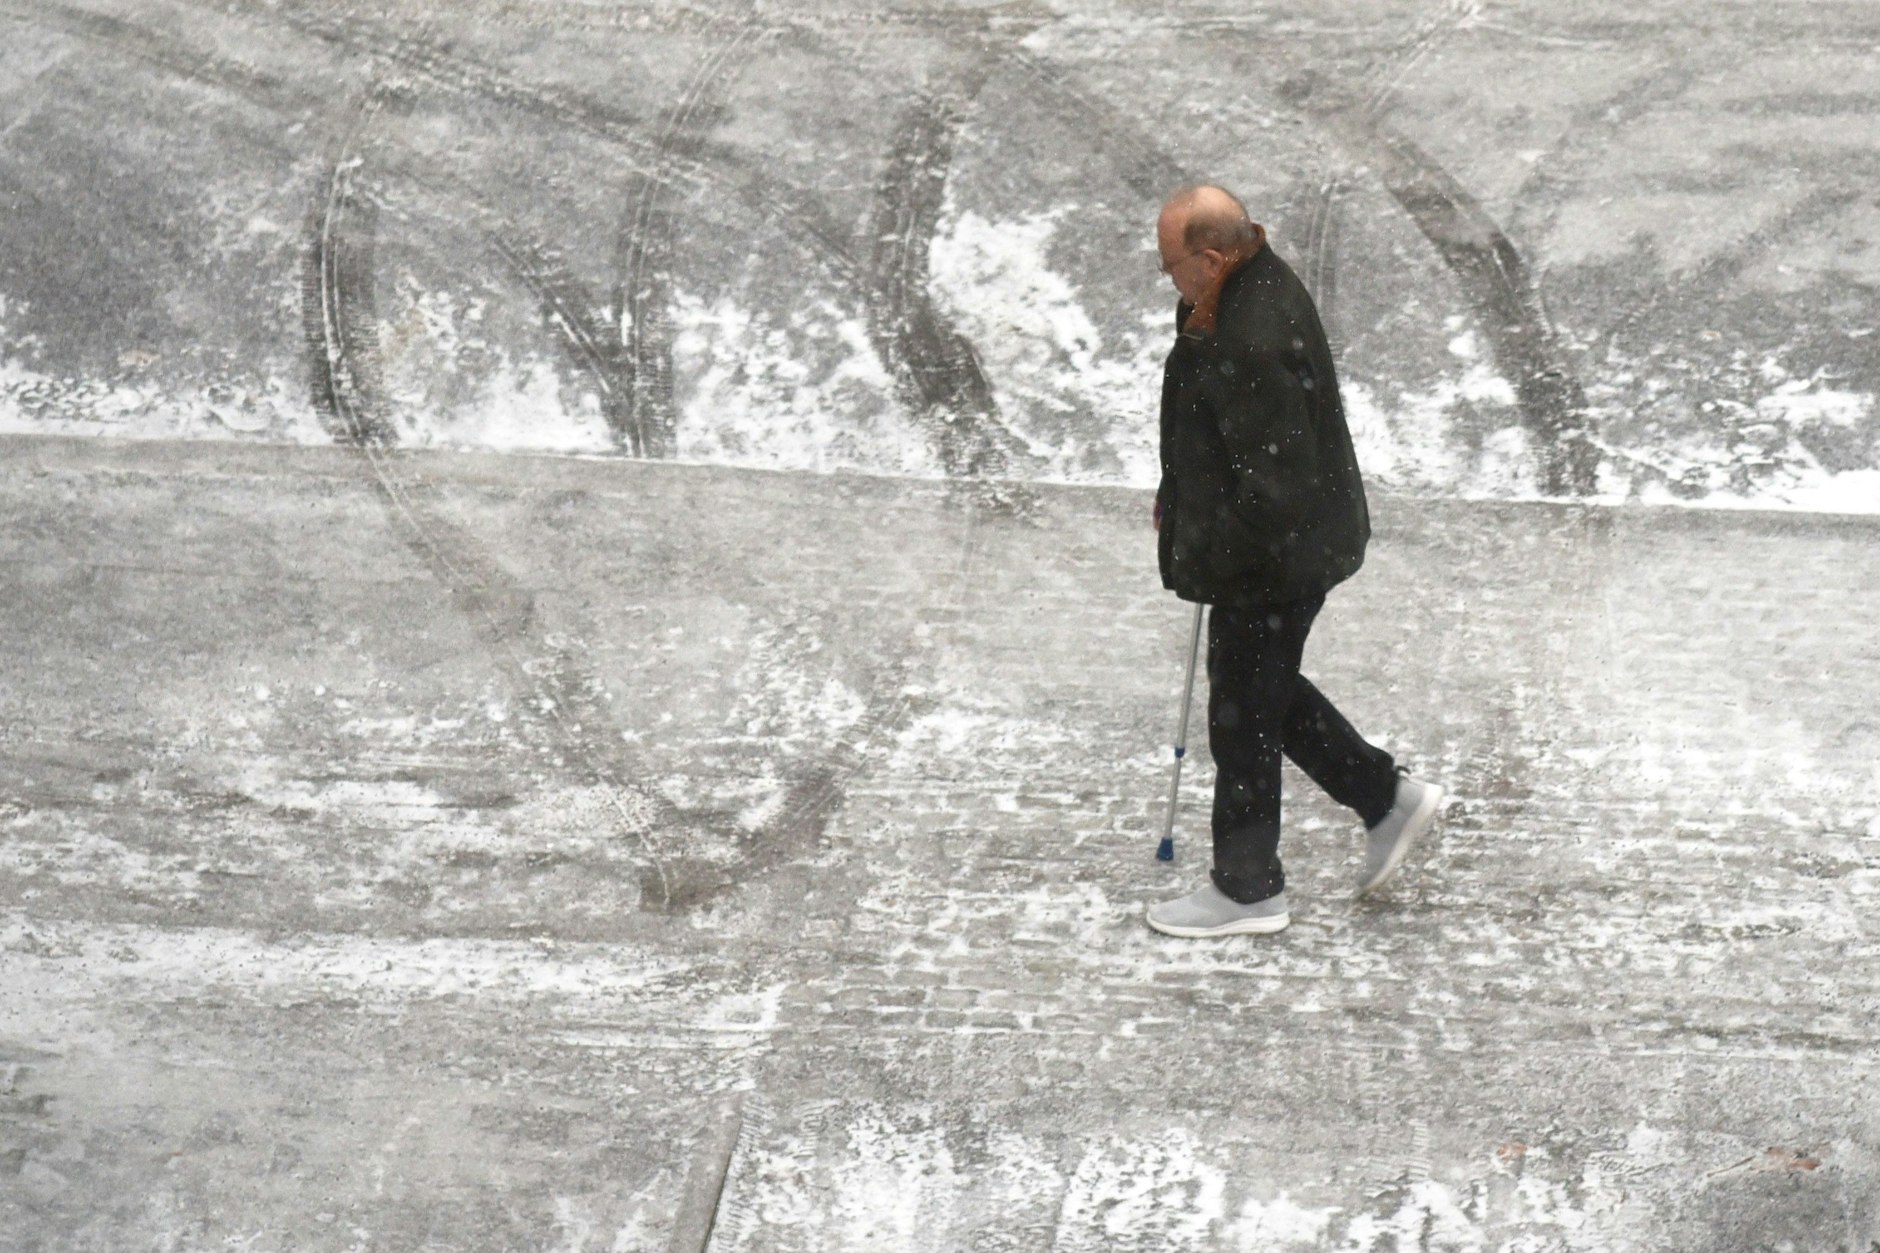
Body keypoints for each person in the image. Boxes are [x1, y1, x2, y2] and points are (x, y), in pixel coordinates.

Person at [1146, 184, 1442, 939]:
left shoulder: (1254, 337)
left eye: (1171, 264)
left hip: (1274, 559)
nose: (1169, 279)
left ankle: (1249, 889)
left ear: (1211, 257)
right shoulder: (1235, 290)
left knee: (1242, 714)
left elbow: (1274, 489)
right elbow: (1211, 434)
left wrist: (1210, 552)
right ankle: (1385, 798)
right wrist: (1175, 492)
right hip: (1283, 548)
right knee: (1260, 689)